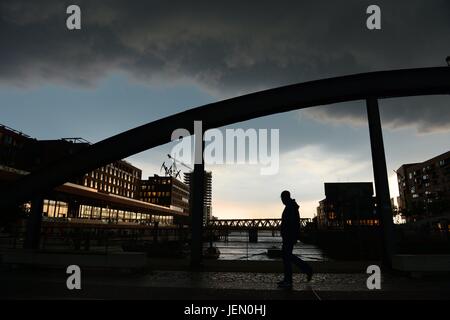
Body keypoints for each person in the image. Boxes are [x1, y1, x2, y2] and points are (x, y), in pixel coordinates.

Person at [278, 190, 313, 289]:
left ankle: (290, 279)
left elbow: (291, 223)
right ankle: (288, 279)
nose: (281, 200)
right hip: (289, 236)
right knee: (287, 257)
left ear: (285, 197)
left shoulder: (290, 207)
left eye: (282, 198)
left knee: (287, 257)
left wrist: (290, 235)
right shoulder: (291, 206)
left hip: (289, 236)